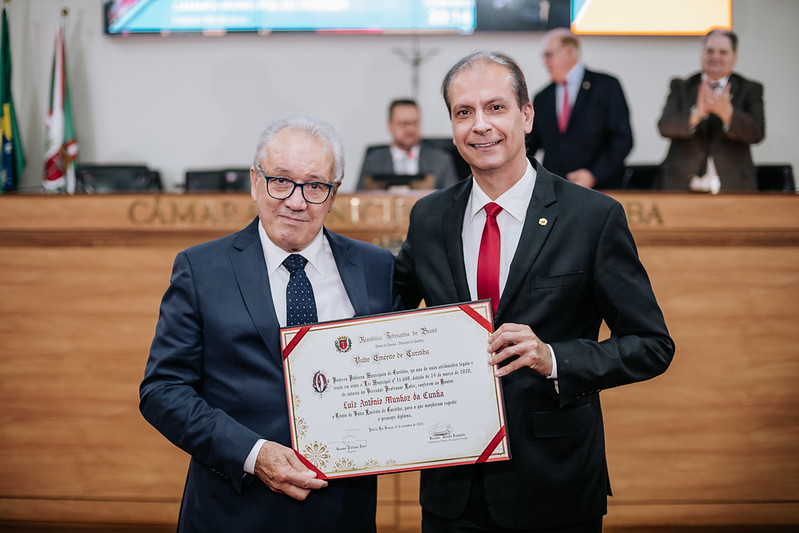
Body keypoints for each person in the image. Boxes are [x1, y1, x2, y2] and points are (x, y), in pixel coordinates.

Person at [395, 51, 674, 532]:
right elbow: (386, 316)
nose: (480, 125)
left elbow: (652, 346)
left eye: (496, 107)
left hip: (555, 484)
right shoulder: (429, 217)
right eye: (464, 112)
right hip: (451, 491)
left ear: (526, 115)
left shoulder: (592, 217)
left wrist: (555, 358)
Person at [139, 115, 397, 533]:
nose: (296, 201)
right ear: (256, 182)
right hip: (234, 509)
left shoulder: (377, 267)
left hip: (343, 511)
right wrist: (254, 454)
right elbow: (162, 391)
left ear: (333, 194)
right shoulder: (201, 269)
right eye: (281, 181)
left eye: (315, 186)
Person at [658, 29, 765, 191]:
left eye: (723, 52)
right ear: (701, 53)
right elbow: (665, 127)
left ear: (734, 57)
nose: (715, 57)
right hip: (682, 184)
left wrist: (728, 114)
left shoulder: (749, 89)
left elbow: (757, 133)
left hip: (735, 185)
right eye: (710, 51)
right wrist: (697, 113)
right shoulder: (682, 86)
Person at [526, 28, 633, 189]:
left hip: (601, 190)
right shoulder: (542, 97)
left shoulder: (606, 86)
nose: (544, 62)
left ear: (569, 51)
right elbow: (530, 143)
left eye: (549, 55)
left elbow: (622, 140)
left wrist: (594, 174)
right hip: (555, 192)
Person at [357, 98, 460, 189]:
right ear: (390, 126)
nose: (410, 130)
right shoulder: (373, 161)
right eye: (404, 124)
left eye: (415, 123)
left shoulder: (441, 161)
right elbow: (360, 199)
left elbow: (453, 201)